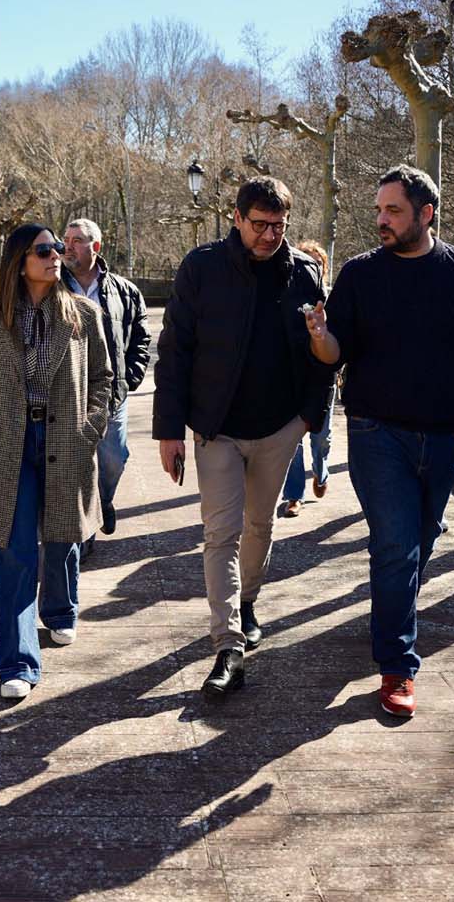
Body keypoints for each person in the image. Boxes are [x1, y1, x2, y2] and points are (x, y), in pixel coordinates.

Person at [306, 165, 454, 719]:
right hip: (377, 432)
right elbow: (334, 354)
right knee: (396, 544)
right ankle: (397, 664)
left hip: (445, 434)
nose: (381, 220)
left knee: (419, 540)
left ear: (426, 214)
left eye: (392, 211)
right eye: (378, 210)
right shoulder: (359, 274)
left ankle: (389, 614)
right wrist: (322, 338)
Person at [152, 176, 334, 702]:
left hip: (280, 427)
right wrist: (169, 430)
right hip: (217, 428)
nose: (269, 235)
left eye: (279, 226)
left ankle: (248, 600)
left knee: (261, 523)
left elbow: (321, 352)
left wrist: (309, 418)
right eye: (259, 225)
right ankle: (227, 644)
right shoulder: (202, 268)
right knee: (221, 533)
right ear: (236, 218)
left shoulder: (304, 272)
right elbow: (176, 351)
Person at [0, 224, 112, 700]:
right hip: (9, 442)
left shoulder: (83, 316)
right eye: (44, 250)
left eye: (57, 249)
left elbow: (104, 380)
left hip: (65, 437)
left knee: (62, 535)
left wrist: (90, 429)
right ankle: (17, 663)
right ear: (19, 260)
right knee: (14, 553)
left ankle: (60, 610)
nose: (55, 256)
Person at [61, 218, 151, 548]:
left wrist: (132, 375)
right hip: (67, 393)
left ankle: (103, 500)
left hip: (112, 392)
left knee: (115, 456)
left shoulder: (125, 291)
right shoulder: (53, 286)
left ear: (95, 247)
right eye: (65, 239)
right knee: (77, 463)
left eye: (76, 240)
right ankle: (83, 533)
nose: (67, 246)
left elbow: (140, 336)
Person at [279, 240, 336, 518]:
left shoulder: (334, 299)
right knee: (293, 440)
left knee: (321, 438)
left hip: (324, 379)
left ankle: (321, 471)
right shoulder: (289, 295)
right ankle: (293, 496)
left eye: (316, 262)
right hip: (293, 379)